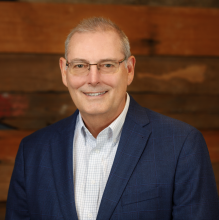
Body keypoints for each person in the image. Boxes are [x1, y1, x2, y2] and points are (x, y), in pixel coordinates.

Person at [6, 17, 219, 220]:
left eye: (107, 65)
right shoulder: (32, 151)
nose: (93, 79)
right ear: (64, 71)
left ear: (129, 69)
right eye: (80, 65)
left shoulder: (181, 145)